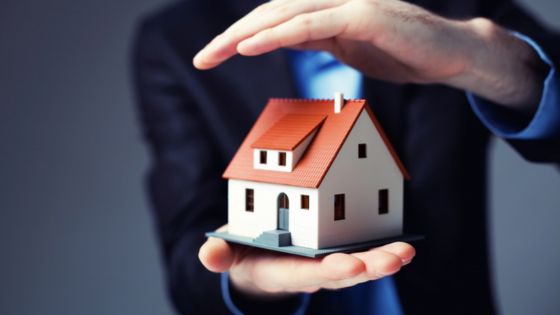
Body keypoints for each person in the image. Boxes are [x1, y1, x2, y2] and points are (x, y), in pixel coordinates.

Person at [132, 0, 560, 314]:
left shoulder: (456, 6)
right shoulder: (173, 39)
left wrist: (481, 56)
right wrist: (247, 279)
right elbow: (188, 255)